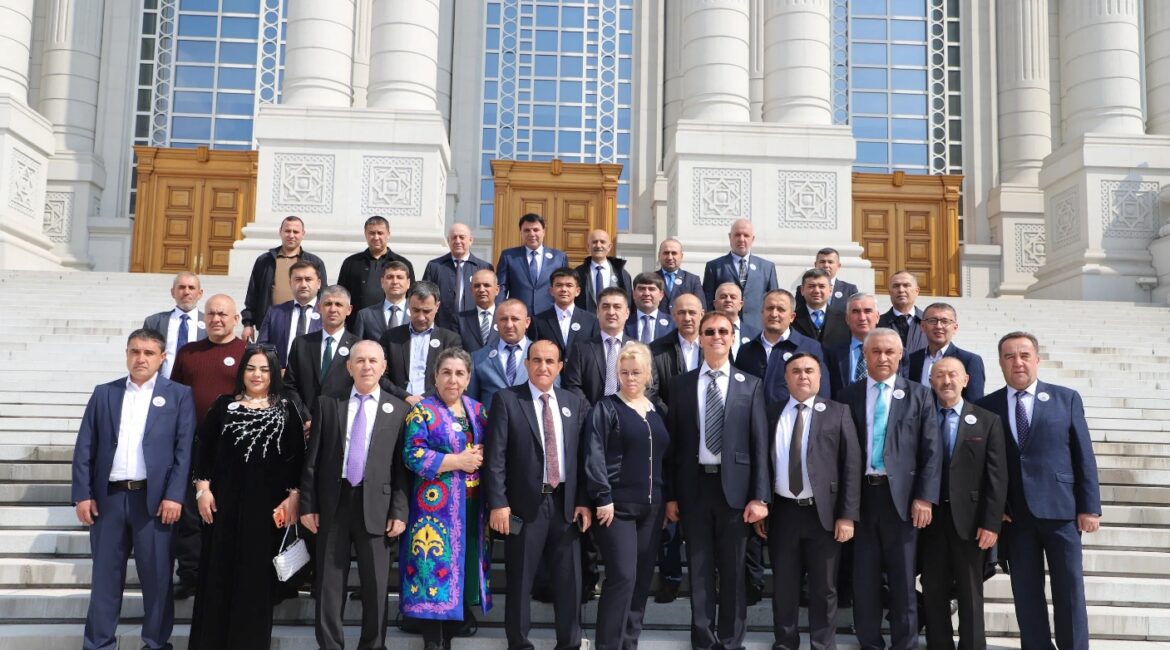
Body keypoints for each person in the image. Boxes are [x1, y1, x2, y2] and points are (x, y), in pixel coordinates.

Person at [71, 329, 196, 650]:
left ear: (162, 357)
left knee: (157, 579)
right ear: (127, 354)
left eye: (148, 353)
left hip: (154, 502)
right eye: (135, 351)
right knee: (105, 579)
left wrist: (174, 495)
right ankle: (98, 644)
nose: (141, 358)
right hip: (109, 500)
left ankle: (155, 644)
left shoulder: (179, 395)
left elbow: (184, 451)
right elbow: (85, 445)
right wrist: (82, 494)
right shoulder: (105, 393)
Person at [977, 332, 1101, 650]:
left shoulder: (1066, 398)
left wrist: (1089, 506)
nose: (1017, 362)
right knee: (1026, 592)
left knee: (1069, 590)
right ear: (1000, 362)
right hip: (1015, 518)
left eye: (1024, 355)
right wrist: (993, 508)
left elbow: (1083, 455)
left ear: (1037, 360)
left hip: (1062, 512)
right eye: (1009, 356)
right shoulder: (986, 406)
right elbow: (981, 465)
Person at [187, 345, 306, 650]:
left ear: (274, 374)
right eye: (251, 368)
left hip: (266, 513)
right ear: (242, 371)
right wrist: (202, 490)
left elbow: (297, 457)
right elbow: (203, 451)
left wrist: (294, 496)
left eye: (264, 369)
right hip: (222, 508)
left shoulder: (286, 409)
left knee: (254, 583)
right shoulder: (223, 406)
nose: (257, 375)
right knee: (218, 577)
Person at [665, 311, 770, 650]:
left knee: (733, 570)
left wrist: (760, 496)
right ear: (700, 338)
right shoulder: (681, 384)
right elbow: (674, 445)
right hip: (694, 488)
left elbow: (759, 444)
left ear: (732, 337)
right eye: (709, 332)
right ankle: (703, 638)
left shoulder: (750, 384)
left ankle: (730, 640)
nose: (716, 337)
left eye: (723, 331)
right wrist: (671, 495)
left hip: (735, 493)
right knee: (699, 568)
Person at [299, 340, 410, 650]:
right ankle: (330, 645)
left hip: (377, 506)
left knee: (375, 586)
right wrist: (307, 505)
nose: (366, 366)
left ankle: (373, 645)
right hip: (333, 503)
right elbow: (312, 460)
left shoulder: (399, 409)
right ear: (349, 367)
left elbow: (401, 469)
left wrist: (399, 511)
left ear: (384, 367)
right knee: (329, 584)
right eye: (360, 361)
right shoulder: (327, 404)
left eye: (373, 361)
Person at [484, 339, 592, 650]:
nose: (543, 367)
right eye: (537, 360)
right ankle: (519, 643)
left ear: (560, 367)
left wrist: (583, 501)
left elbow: (581, 457)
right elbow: (495, 457)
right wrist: (499, 503)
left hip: (565, 505)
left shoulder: (573, 402)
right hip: (523, 506)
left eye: (550, 361)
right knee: (520, 580)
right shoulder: (507, 399)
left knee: (570, 581)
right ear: (527, 364)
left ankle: (569, 644)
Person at [837, 328, 940, 650]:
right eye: (876, 352)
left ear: (900, 356)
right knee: (863, 577)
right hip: (861, 498)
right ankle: (869, 641)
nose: (882, 358)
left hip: (904, 500)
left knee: (903, 577)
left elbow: (931, 450)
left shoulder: (919, 395)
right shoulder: (847, 396)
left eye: (889, 352)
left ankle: (904, 643)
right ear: (865, 355)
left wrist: (924, 497)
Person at [757, 352, 860, 650]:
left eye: (809, 371)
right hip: (783, 512)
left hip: (823, 514)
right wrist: (762, 502)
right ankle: (785, 642)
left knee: (824, 587)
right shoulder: (771, 412)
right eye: (796, 371)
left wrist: (847, 515)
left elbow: (851, 465)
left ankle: (822, 644)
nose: (803, 376)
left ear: (820, 376)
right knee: (784, 584)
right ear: (785, 378)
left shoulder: (838, 412)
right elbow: (762, 462)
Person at [400, 348, 492, 650]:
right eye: (446, 373)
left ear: (468, 378)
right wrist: (457, 461)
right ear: (435, 376)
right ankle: (433, 639)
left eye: (459, 373)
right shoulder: (422, 411)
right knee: (433, 567)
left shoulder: (478, 411)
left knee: (463, 566)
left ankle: (457, 622)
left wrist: (483, 452)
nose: (453, 379)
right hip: (434, 510)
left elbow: (492, 448)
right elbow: (412, 454)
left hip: (471, 506)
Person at [584, 341, 672, 650]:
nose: (630, 378)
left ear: (648, 374)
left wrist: (666, 501)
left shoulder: (658, 411)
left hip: (652, 508)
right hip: (616, 508)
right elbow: (594, 454)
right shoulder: (606, 408)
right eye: (624, 372)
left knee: (641, 580)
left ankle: (628, 643)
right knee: (622, 576)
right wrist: (602, 497)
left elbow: (665, 459)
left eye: (636, 372)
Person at [921, 357, 1007, 650]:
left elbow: (997, 476)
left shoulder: (987, 420)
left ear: (966, 380)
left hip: (970, 522)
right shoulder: (921, 418)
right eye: (940, 375)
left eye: (953, 375)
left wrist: (991, 523)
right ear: (931, 381)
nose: (947, 381)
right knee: (933, 589)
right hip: (930, 519)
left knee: (970, 592)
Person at [168, 294, 247, 599]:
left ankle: (226, 574)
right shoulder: (188, 352)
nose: (216, 319)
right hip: (193, 444)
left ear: (235, 319)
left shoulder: (248, 353)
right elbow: (175, 395)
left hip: (234, 447)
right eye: (211, 313)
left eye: (223, 314)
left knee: (228, 511)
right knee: (191, 512)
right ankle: (190, 574)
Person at [646, 292, 703, 604]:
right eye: (681, 312)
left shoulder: (713, 344)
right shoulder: (657, 349)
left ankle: (705, 578)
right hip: (669, 438)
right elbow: (652, 392)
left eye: (693, 312)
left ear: (702, 313)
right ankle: (670, 579)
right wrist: (678, 416)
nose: (687, 318)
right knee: (668, 515)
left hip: (706, 440)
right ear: (672, 315)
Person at [241, 215, 328, 341]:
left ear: (303, 234)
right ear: (280, 232)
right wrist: (248, 324)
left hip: (305, 325)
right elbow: (253, 295)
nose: (291, 235)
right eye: (287, 231)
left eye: (296, 232)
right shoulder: (265, 261)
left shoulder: (314, 262)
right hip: (272, 326)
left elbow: (323, 296)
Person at [736, 289, 829, 405]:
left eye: (781, 309)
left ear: (792, 317)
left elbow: (822, 393)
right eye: (770, 308)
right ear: (762, 312)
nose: (774, 314)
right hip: (752, 415)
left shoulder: (811, 348)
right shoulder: (746, 350)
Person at [379, 281, 462, 405]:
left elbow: (454, 377)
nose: (421, 317)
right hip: (397, 404)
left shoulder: (450, 340)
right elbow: (380, 375)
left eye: (427, 311)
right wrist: (405, 397)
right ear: (408, 304)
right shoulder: (390, 337)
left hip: (436, 405)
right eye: (416, 310)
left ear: (437, 306)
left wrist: (426, 398)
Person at [284, 285, 360, 409]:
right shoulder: (301, 344)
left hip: (341, 417)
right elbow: (289, 385)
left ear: (349, 310)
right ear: (319, 308)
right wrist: (303, 415)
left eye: (338, 304)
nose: (333, 309)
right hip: (306, 417)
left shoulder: (358, 346)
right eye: (328, 304)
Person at [337, 215, 416, 329]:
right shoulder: (351, 263)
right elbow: (341, 296)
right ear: (365, 234)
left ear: (388, 234)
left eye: (380, 233)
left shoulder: (403, 263)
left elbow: (412, 297)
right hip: (357, 326)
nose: (376, 237)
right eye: (372, 233)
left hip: (395, 324)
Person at [702, 218, 778, 333]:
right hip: (724, 329)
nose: (741, 239)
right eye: (737, 235)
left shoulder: (767, 268)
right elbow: (708, 302)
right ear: (730, 237)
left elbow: (774, 301)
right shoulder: (714, 267)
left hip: (757, 329)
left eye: (746, 235)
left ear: (752, 239)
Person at [563, 287, 630, 406]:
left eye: (617, 307)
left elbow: (650, 386)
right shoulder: (581, 349)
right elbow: (573, 385)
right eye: (605, 307)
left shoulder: (639, 349)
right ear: (597, 312)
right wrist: (593, 413)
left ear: (627, 313)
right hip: (590, 414)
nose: (611, 312)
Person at [905, 302, 986, 400]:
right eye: (932, 321)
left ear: (955, 328)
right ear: (922, 326)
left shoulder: (970, 361)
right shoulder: (912, 359)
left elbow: (974, 403)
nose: (939, 326)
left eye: (945, 321)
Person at [423, 223, 494, 332]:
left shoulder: (484, 267)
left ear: (470, 240)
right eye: (454, 237)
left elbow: (491, 299)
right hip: (442, 327)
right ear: (448, 241)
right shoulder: (434, 266)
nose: (457, 241)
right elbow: (425, 297)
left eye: (462, 237)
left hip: (474, 327)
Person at [496, 213, 569, 316]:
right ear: (521, 233)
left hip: (550, 316)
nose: (531, 234)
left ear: (543, 232)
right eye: (527, 230)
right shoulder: (509, 256)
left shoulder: (559, 257)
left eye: (536, 230)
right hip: (518, 316)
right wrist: (500, 312)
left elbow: (565, 287)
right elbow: (501, 288)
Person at [257, 260, 323, 367]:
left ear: (318, 283)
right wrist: (276, 370)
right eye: (298, 279)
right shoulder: (275, 313)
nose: (303, 285)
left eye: (308, 279)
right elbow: (262, 347)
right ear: (290, 283)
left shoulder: (329, 314)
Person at [467, 299, 531, 408]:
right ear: (496, 322)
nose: (509, 325)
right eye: (503, 319)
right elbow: (471, 403)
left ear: (527, 322)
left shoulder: (543, 355)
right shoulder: (478, 358)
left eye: (515, 319)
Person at [143, 272, 207, 379]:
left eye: (191, 288)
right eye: (181, 287)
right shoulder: (154, 322)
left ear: (200, 293)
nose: (186, 292)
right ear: (173, 292)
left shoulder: (210, 323)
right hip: (162, 384)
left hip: (197, 384)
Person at [530, 267, 599, 359]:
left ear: (577, 291)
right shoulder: (538, 321)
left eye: (569, 285)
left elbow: (595, 354)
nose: (564, 289)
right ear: (551, 291)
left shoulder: (591, 321)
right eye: (559, 285)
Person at [824, 293, 881, 398]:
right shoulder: (832, 353)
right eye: (856, 312)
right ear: (847, 318)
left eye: (867, 311)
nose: (862, 317)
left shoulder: (893, 352)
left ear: (877, 317)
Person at [353, 259, 412, 343]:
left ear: (408, 283)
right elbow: (358, 346)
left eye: (400, 277)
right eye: (390, 277)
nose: (395, 282)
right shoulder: (365, 315)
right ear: (382, 282)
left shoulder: (418, 312)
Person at [574, 229, 632, 312]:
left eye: (602, 242)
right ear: (588, 246)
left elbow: (628, 302)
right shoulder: (578, 273)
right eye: (594, 242)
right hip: (585, 319)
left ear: (609, 246)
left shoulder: (622, 274)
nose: (598, 245)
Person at [792, 268, 850, 350]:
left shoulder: (844, 319)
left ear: (830, 290)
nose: (816, 290)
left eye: (822, 286)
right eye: (811, 286)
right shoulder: (791, 319)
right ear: (802, 290)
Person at [795, 247, 859, 313]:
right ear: (815, 265)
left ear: (838, 266)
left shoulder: (849, 290)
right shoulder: (804, 289)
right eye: (822, 262)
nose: (826, 265)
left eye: (830, 262)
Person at [878, 270, 926, 356]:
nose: (901, 290)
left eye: (906, 285)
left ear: (917, 291)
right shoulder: (878, 323)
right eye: (896, 286)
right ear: (889, 292)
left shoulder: (929, 322)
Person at [710, 282, 760, 362]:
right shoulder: (705, 332)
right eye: (723, 297)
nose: (728, 300)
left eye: (733, 297)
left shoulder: (756, 335)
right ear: (714, 303)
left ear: (741, 305)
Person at [455, 269, 500, 353]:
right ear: (471, 291)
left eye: (486, 285)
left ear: (497, 290)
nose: (481, 289)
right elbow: (456, 351)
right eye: (477, 286)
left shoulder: (506, 318)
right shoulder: (460, 320)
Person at [654, 238, 703, 314]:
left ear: (681, 256)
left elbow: (700, 308)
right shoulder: (651, 279)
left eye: (674, 253)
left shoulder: (692, 280)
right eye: (666, 253)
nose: (670, 257)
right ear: (659, 255)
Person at [624, 272, 674, 344]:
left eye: (651, 289)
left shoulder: (673, 324)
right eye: (641, 289)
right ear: (634, 294)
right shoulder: (624, 322)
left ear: (661, 295)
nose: (646, 293)